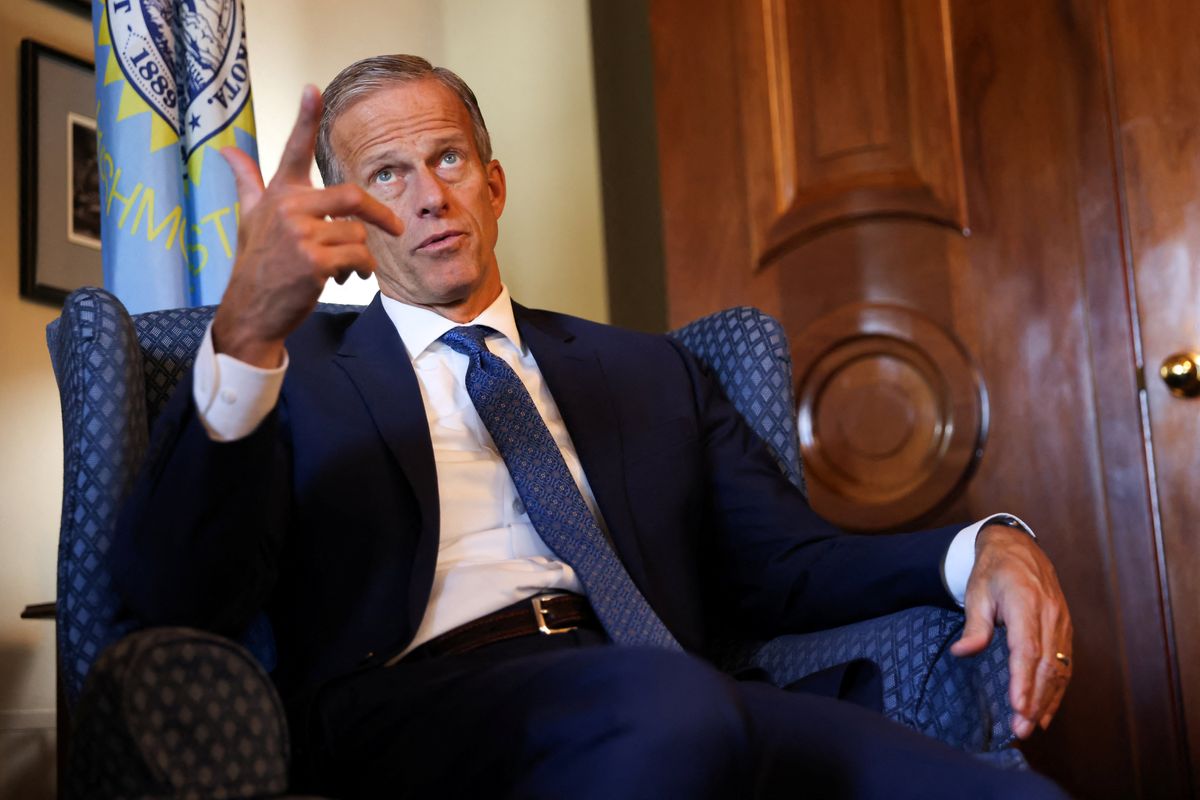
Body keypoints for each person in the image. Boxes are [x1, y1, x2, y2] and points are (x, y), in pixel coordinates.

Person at [113, 54, 1072, 799]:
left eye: (447, 159)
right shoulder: (293, 368)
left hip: (682, 692)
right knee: (668, 708)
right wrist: (242, 333)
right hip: (425, 709)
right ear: (351, 228)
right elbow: (178, 598)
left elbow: (790, 563)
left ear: (493, 184)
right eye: (386, 176)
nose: (429, 196)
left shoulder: (650, 368)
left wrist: (982, 544)